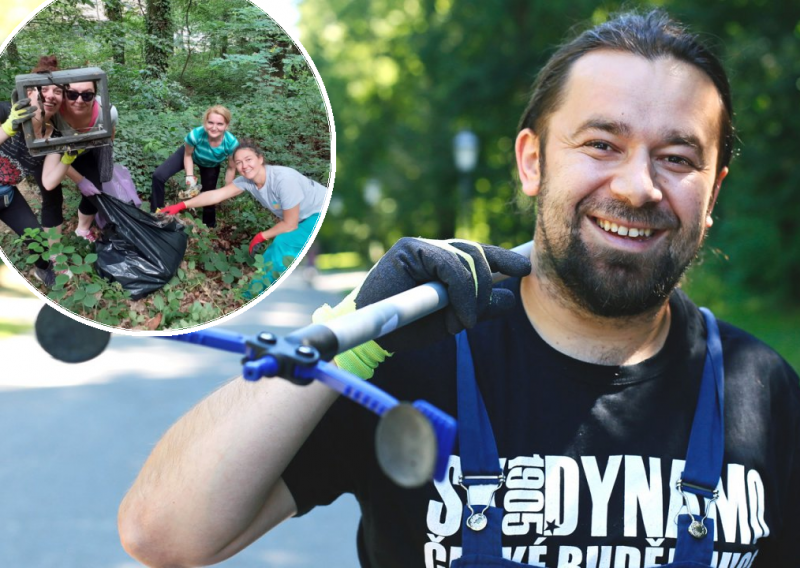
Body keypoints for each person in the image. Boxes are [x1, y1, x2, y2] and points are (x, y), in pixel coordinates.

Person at [117, 10, 800, 568]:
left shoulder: (760, 390)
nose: (637, 186)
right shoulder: (408, 359)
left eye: (677, 158)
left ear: (712, 193)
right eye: (601, 144)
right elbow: (163, 535)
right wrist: (353, 330)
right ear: (533, 161)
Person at [157, 139, 327, 296]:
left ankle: (252, 296)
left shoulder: (283, 180)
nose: (244, 166)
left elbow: (290, 224)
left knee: (282, 245)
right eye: (239, 163)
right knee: (274, 253)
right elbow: (216, 195)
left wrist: (261, 236)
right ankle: (258, 291)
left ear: (260, 159)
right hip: (303, 218)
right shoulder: (246, 181)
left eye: (248, 159)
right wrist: (181, 206)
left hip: (320, 212)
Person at [0, 56, 68, 288]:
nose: (51, 95)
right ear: (29, 92)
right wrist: (8, 128)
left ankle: (42, 271)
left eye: (57, 91)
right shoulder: (5, 112)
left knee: (38, 239)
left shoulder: (53, 136)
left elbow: (49, 183)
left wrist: (68, 158)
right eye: (44, 89)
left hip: (6, 194)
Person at [41, 75, 119, 241]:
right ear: (64, 94)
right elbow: (49, 150)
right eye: (72, 94)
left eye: (87, 95)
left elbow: (109, 136)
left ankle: (82, 229)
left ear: (94, 95)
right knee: (52, 198)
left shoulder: (107, 112)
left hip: (86, 150)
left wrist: (101, 162)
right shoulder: (54, 112)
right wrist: (79, 180)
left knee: (95, 188)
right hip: (58, 152)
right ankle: (54, 249)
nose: (79, 100)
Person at [149, 105, 239, 228]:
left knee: (209, 194)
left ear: (226, 126)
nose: (214, 127)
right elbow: (187, 155)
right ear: (205, 122)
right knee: (158, 176)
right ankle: (156, 214)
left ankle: (209, 226)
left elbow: (231, 168)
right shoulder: (195, 135)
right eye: (210, 122)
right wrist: (190, 176)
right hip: (190, 155)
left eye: (219, 124)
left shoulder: (231, 143)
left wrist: (228, 189)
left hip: (210, 164)